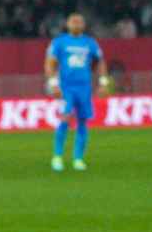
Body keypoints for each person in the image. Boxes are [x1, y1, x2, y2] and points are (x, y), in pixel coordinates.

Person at [45, 13, 106, 172]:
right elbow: (50, 63)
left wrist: (102, 82)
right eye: (73, 21)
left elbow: (99, 62)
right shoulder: (60, 42)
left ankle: (78, 159)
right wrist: (53, 84)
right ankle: (57, 156)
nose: (76, 24)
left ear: (83, 25)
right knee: (65, 118)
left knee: (83, 121)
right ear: (68, 24)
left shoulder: (90, 43)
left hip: (84, 88)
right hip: (66, 87)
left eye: (79, 22)